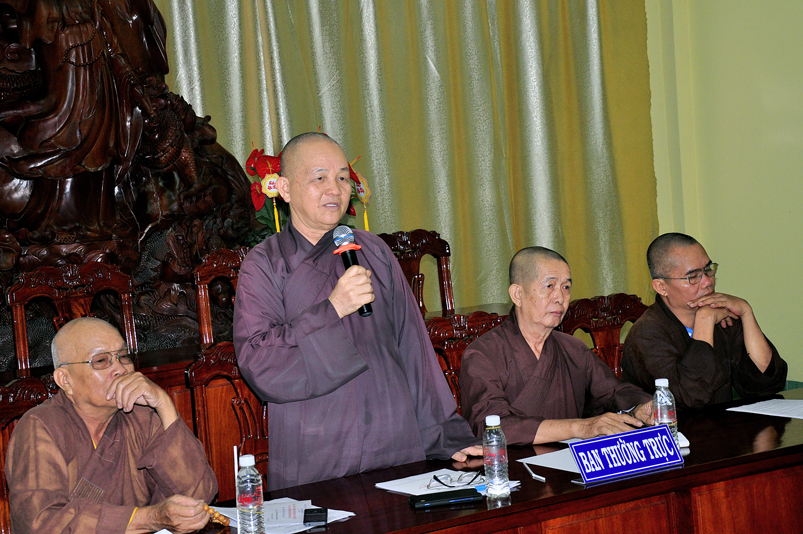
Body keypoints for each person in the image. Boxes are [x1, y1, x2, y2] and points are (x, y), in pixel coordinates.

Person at [233, 132, 481, 491]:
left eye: (342, 178)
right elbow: (259, 361)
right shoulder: (265, 264)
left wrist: (445, 434)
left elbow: (413, 348)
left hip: (395, 441)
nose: (334, 189)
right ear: (284, 189)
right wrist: (333, 308)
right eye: (319, 177)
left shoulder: (373, 250)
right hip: (319, 450)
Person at [5, 317, 218, 534]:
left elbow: (198, 496)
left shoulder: (140, 417)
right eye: (101, 361)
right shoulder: (41, 426)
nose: (120, 369)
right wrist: (150, 518)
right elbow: (42, 523)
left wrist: (164, 404)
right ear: (65, 380)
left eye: (123, 356)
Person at [459, 247, 653, 446]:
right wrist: (579, 427)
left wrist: (641, 407)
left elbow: (613, 392)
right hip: (511, 463)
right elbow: (491, 426)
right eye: (549, 285)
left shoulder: (573, 348)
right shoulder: (482, 354)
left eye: (566, 287)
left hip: (570, 460)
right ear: (517, 294)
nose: (560, 297)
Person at [621, 233, 787, 409]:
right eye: (693, 276)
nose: (707, 282)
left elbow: (767, 385)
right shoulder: (646, 334)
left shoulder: (722, 316)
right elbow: (690, 398)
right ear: (661, 287)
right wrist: (705, 320)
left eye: (708, 270)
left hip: (722, 424)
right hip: (675, 426)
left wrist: (746, 312)